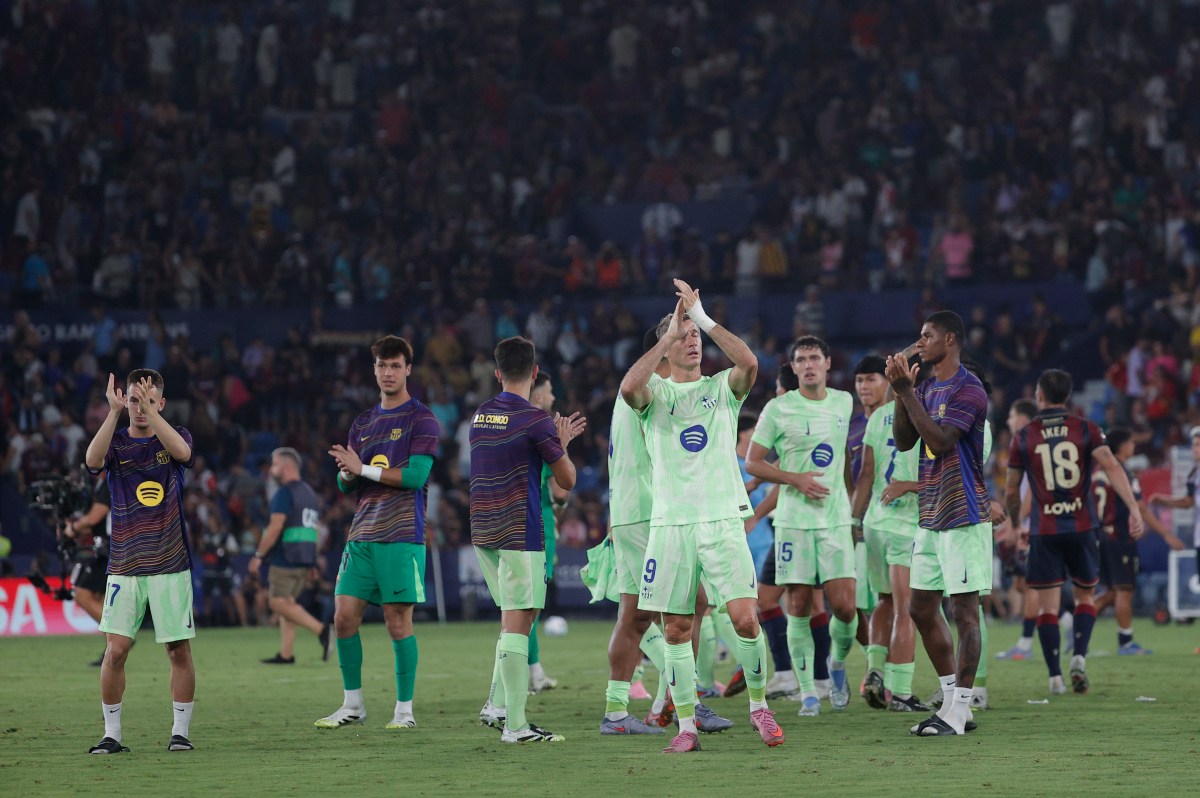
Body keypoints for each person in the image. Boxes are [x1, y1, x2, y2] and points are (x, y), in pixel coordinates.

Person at [622, 278, 784, 753]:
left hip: (719, 521)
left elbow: (750, 363)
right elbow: (629, 385)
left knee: (745, 619)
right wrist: (669, 333)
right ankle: (687, 727)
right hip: (670, 525)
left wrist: (703, 317)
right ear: (668, 348)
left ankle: (759, 707)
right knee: (675, 628)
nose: (694, 341)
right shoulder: (655, 395)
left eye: (696, 336)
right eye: (686, 336)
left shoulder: (722, 390)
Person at [317, 336, 440, 730]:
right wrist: (346, 472)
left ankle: (404, 711)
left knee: (397, 622)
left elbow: (417, 476)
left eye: (395, 366)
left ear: (408, 369)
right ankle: (353, 705)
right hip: (362, 534)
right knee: (342, 619)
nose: (388, 373)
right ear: (374, 370)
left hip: (402, 535)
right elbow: (345, 486)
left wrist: (363, 468)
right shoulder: (363, 423)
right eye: (382, 366)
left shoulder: (422, 419)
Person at [471, 336, 586, 743]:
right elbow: (566, 480)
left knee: (517, 619)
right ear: (534, 372)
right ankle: (515, 726)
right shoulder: (536, 420)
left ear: (498, 373)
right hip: (519, 530)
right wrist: (562, 444)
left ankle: (498, 704)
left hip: (482, 530)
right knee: (519, 622)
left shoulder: (481, 415)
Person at [1005, 369, 1144, 696]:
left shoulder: (1024, 436)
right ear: (1067, 396)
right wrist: (1134, 509)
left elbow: (1012, 491)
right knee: (1085, 597)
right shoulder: (1086, 429)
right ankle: (1079, 657)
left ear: (1039, 395)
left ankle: (1055, 677)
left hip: (1045, 530)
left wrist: (1016, 524)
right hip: (1082, 527)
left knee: (1048, 607)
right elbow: (1111, 466)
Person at [885, 311, 991, 736]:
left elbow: (941, 440)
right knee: (921, 608)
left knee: (964, 612)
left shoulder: (970, 388)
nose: (920, 342)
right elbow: (906, 440)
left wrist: (906, 391)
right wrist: (900, 394)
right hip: (930, 512)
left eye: (927, 336)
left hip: (963, 512)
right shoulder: (925, 386)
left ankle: (961, 710)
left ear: (950, 339)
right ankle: (951, 701)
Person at [83, 369, 196, 754]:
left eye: (148, 400)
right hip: (125, 565)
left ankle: (180, 731)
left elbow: (184, 454)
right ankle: (111, 734)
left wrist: (152, 414)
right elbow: (92, 460)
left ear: (161, 403)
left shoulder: (175, 437)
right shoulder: (115, 445)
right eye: (133, 399)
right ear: (124, 401)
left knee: (178, 650)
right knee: (116, 651)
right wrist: (112, 413)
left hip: (170, 562)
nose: (140, 407)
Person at [746, 336, 857, 717]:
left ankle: (838, 665)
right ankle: (809, 692)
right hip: (794, 521)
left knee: (844, 607)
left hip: (835, 518)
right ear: (793, 368)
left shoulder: (844, 402)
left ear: (828, 363)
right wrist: (795, 479)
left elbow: (845, 455)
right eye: (801, 360)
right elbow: (753, 462)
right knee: (798, 605)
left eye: (815, 358)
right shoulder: (778, 409)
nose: (808, 365)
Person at [597, 328, 672, 736]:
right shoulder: (653, 388)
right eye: (684, 336)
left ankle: (615, 712)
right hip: (648, 513)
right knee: (682, 608)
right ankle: (677, 702)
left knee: (635, 618)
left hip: (628, 512)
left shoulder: (633, 388)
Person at [852, 354, 928, 712]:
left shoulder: (878, 417)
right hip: (904, 526)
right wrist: (910, 485)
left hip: (874, 523)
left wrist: (855, 520)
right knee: (905, 609)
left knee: (883, 601)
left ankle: (874, 670)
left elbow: (866, 474)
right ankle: (900, 692)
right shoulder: (925, 415)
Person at [1094, 427, 1184, 654]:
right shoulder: (1122, 471)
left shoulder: (1098, 470)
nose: (1133, 446)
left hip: (1100, 535)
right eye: (1131, 443)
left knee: (1113, 592)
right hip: (1119, 537)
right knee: (1125, 589)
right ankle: (1126, 643)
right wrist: (1166, 534)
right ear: (1122, 447)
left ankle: (1077, 625)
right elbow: (1141, 508)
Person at [249, 447, 330, 664]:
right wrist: (313, 560)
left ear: (285, 467)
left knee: (277, 603)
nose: (271, 470)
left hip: (286, 556)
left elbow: (275, 527)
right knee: (288, 603)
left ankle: (322, 631)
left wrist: (258, 556)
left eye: (274, 465)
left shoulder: (284, 493)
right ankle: (286, 654)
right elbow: (315, 529)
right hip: (304, 557)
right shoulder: (309, 493)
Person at [523, 372, 568, 693]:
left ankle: (533, 673)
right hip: (539, 526)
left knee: (522, 605)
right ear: (538, 396)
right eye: (549, 391)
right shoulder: (543, 431)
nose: (552, 397)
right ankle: (523, 675)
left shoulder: (517, 427)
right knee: (530, 606)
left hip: (513, 525)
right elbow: (561, 492)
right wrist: (563, 447)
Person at [849, 355, 889, 694]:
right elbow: (850, 477)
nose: (864, 386)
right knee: (858, 603)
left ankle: (886, 673)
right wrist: (851, 515)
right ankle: (876, 667)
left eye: (871, 379)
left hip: (899, 521)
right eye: (860, 380)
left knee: (897, 601)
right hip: (861, 523)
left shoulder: (900, 421)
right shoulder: (850, 429)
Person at [995, 399, 1040, 661]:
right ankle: (1067, 620)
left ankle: (1024, 644)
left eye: (1012, 416)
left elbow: (1032, 491)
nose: (1009, 421)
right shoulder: (1022, 444)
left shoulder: (1029, 444)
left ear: (1023, 419)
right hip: (1027, 522)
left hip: (1033, 525)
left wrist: (1015, 523)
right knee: (1023, 583)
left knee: (1032, 583)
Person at [64, 476, 114, 667]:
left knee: (82, 595)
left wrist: (74, 527)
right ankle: (110, 651)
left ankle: (119, 636)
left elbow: (95, 516)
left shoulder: (109, 481)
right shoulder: (103, 483)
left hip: (107, 550)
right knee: (102, 602)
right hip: (108, 547)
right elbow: (96, 523)